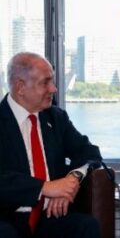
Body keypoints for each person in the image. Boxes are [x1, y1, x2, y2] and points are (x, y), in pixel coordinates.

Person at [0, 52, 103, 238]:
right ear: (21, 87)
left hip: (51, 215)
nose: (54, 89)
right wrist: (45, 188)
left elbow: (89, 152)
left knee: (86, 226)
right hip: (8, 217)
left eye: (52, 81)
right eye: (45, 82)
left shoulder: (56, 118)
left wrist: (71, 182)